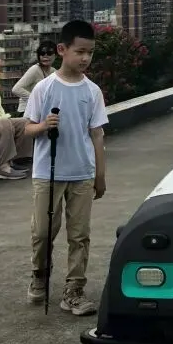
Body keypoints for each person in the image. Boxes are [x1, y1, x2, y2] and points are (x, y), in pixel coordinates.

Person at [24, 19, 108, 316]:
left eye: (90, 53)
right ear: (62, 50)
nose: (85, 58)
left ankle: (74, 289)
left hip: (82, 172)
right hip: (47, 173)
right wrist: (43, 126)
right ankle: (39, 274)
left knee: (79, 234)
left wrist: (99, 174)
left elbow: (97, 134)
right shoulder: (44, 88)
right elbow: (27, 128)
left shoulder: (92, 91)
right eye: (80, 51)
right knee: (43, 231)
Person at [12, 41, 56, 114]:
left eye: (49, 53)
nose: (45, 56)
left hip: (41, 112)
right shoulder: (35, 69)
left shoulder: (53, 71)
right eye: (42, 53)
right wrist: (35, 100)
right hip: (26, 112)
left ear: (55, 55)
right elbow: (16, 89)